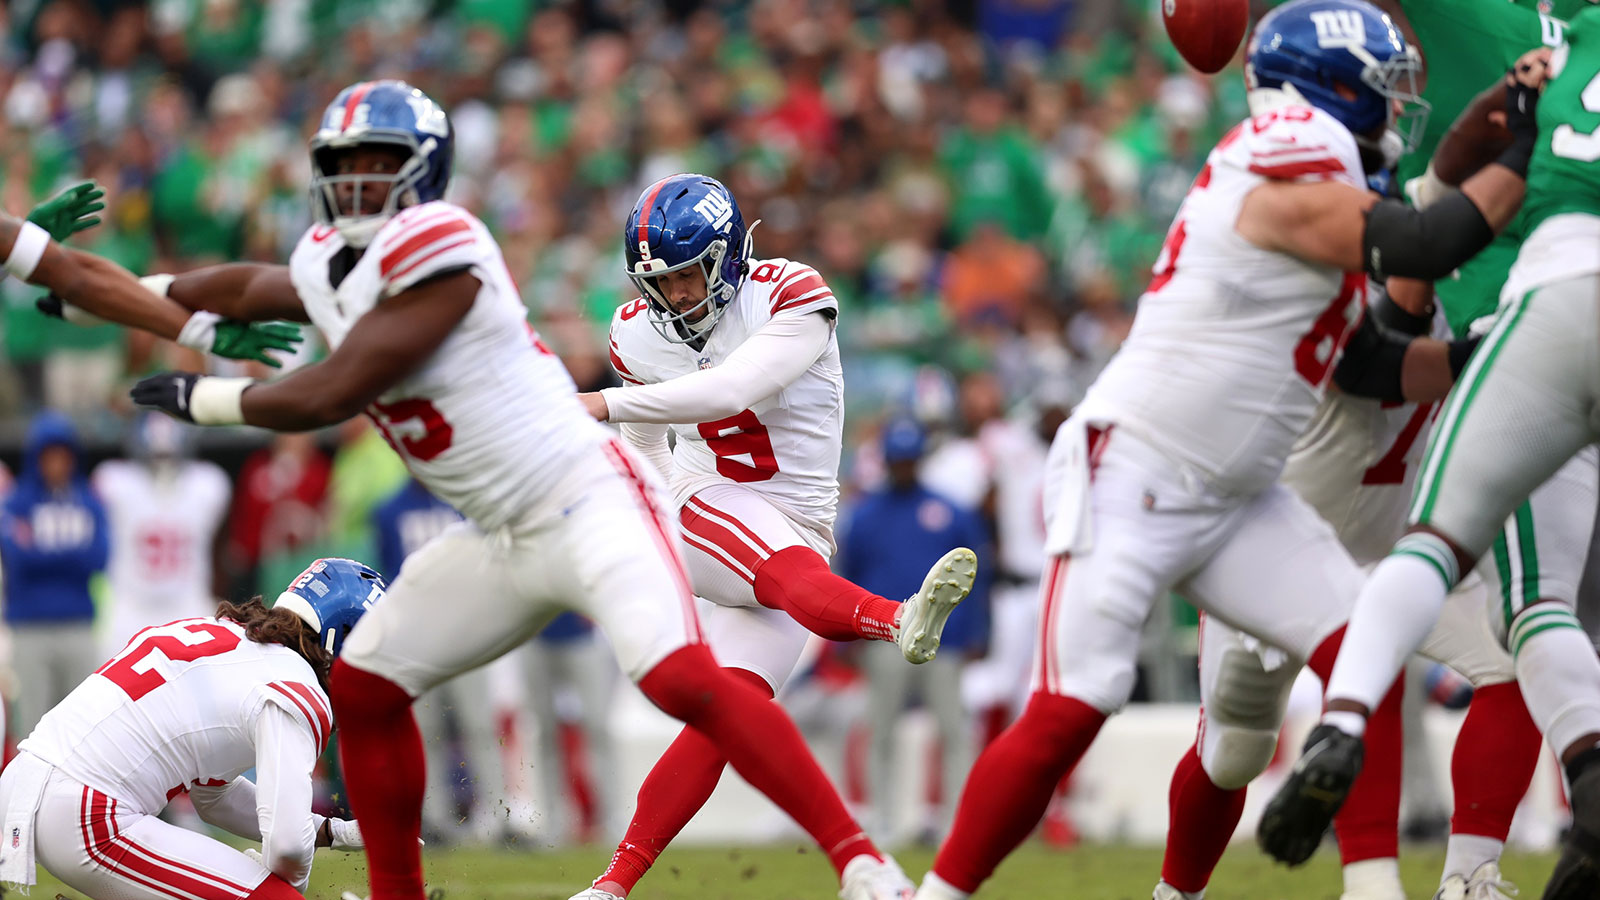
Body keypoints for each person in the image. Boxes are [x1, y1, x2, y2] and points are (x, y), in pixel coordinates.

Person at [97, 80, 920, 900]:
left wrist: (206, 394)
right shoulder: (338, 262)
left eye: (380, 164)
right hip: (512, 520)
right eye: (346, 164)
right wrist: (65, 271)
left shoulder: (446, 251)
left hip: (583, 495)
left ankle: (862, 857)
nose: (359, 183)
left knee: (687, 685)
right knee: (369, 682)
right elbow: (249, 289)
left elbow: (330, 389)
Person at [911, 0, 1539, 896]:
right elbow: (1429, 240)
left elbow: (1370, 361)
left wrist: (1491, 360)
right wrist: (1532, 146)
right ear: (1330, 89)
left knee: (1366, 653)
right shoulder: (1291, 147)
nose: (1399, 106)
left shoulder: (1325, 163)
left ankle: (1375, 890)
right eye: (1383, 88)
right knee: (1071, 709)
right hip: (1137, 468)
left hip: (1242, 492)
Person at [1261, 12, 1600, 900]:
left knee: (1508, 602)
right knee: (1231, 740)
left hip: (1539, 317)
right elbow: (1378, 347)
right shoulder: (1332, 210)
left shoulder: (1559, 54)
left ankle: (1359, 753)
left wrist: (1509, 120)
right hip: (1305, 504)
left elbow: (1435, 223)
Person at [572, 173, 977, 900]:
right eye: (660, 283)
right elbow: (645, 440)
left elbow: (729, 391)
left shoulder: (791, 295)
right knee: (776, 567)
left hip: (796, 520)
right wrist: (663, 525)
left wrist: (600, 400)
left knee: (728, 717)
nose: (676, 297)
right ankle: (896, 618)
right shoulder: (636, 331)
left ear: (726, 258)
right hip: (706, 503)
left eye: (689, 276)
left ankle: (612, 887)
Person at [0, 557, 377, 900]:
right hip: (88, 810)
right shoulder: (297, 686)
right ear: (339, 640)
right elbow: (288, 848)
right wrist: (279, 891)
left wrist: (330, 831)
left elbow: (214, 796)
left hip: (25, 781)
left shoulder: (232, 640)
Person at [839, 418, 991, 843]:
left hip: (949, 638)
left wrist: (980, 633)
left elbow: (980, 576)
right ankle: (883, 822)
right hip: (886, 636)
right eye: (897, 460)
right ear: (887, 461)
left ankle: (954, 825)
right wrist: (849, 640)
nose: (904, 466)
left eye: (910, 459)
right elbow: (849, 578)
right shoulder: (865, 515)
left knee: (953, 730)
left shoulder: (952, 511)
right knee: (881, 729)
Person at [371, 477, 539, 846]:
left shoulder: (463, 498)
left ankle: (498, 819)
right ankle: (434, 821)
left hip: (466, 630)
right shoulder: (387, 509)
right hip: (417, 638)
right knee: (427, 731)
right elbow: (386, 577)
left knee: (480, 725)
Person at [0, 411, 110, 744]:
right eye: (49, 455)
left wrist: (43, 553)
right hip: (30, 626)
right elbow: (18, 560)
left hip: (77, 623)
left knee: (84, 726)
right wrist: (67, 555)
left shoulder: (88, 501)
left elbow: (98, 559)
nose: (57, 464)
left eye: (63, 455)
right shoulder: (17, 502)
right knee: (33, 727)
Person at [95, 412, 232, 657]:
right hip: (131, 605)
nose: (162, 463)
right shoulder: (115, 483)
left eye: (168, 455)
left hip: (187, 603)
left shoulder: (206, 484)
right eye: (156, 456)